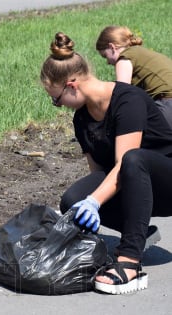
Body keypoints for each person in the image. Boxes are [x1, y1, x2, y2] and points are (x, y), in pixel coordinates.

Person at [40, 32, 172, 295]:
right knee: (73, 199)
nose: (60, 105)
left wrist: (95, 202)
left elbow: (125, 164)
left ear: (72, 85)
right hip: (137, 187)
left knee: (133, 160)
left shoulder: (128, 99)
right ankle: (138, 231)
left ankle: (130, 264)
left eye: (57, 99)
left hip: (166, 184)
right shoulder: (81, 120)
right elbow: (98, 175)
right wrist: (83, 212)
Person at [96, 25, 172, 127]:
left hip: (167, 102)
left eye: (105, 56)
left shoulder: (125, 58)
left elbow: (122, 95)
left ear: (112, 47)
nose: (108, 62)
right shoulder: (141, 52)